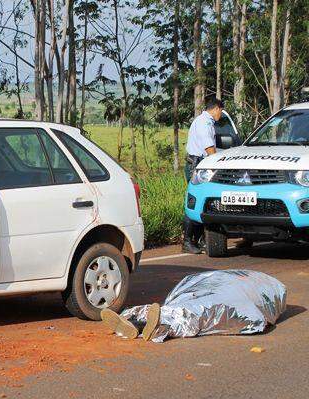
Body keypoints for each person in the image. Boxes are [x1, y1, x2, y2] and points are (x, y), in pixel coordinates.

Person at [100, 270, 286, 342]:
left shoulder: (262, 285)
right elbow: (259, 319)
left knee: (186, 309)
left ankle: (133, 318)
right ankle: (151, 326)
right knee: (194, 313)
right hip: (218, 291)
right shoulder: (266, 287)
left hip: (210, 288)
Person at [182, 97, 224, 254]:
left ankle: (199, 240)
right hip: (197, 165)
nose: (220, 115)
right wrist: (218, 164)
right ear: (216, 109)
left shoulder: (204, 121)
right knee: (195, 201)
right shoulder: (204, 123)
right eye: (221, 112)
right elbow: (209, 148)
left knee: (202, 201)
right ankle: (187, 241)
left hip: (199, 164)